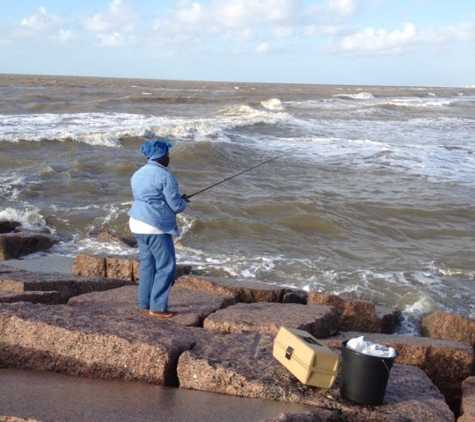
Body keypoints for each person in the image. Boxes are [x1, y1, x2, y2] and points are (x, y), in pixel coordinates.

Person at [128, 140, 189, 318]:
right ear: (161, 156)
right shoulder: (166, 176)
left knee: (147, 264)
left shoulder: (137, 174)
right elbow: (176, 206)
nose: (169, 157)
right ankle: (157, 308)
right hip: (155, 226)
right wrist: (183, 201)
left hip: (136, 222)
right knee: (167, 266)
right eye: (167, 154)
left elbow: (150, 197)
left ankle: (144, 303)